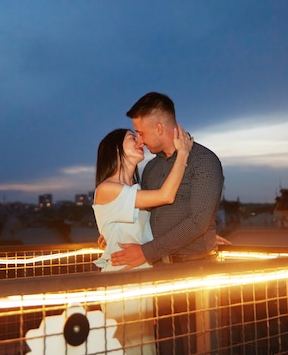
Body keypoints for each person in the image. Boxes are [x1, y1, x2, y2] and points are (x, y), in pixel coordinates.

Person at [111, 91, 225, 354]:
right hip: (161, 272)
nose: (139, 138)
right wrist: (115, 233)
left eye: (140, 131)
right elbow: (142, 214)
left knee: (199, 345)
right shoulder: (152, 169)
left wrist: (146, 251)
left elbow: (198, 221)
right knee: (166, 345)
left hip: (196, 272)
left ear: (159, 127)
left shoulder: (204, 161)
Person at [92, 124, 193, 355]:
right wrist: (183, 153)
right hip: (121, 281)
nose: (139, 140)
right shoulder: (108, 188)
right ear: (115, 150)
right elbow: (166, 196)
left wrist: (200, 234)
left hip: (141, 277)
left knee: (143, 347)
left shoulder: (134, 190)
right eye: (131, 137)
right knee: (126, 348)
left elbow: (153, 227)